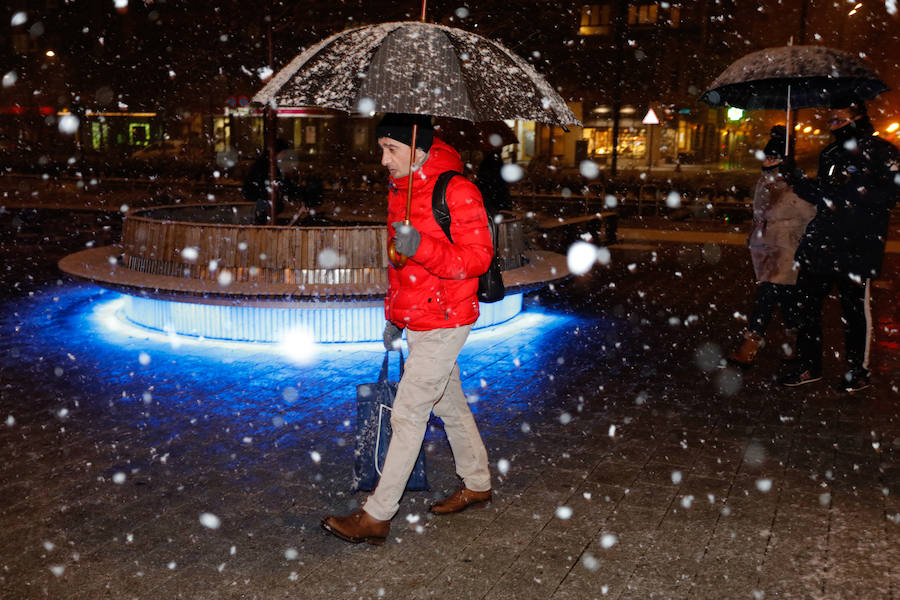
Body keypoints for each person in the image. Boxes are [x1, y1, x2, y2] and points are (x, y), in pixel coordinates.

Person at [321, 113, 494, 545]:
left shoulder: (457, 189)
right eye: (381, 148)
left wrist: (425, 247)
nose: (383, 159)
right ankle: (477, 483)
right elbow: (400, 268)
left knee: (409, 412)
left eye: (391, 149)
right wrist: (393, 317)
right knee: (448, 403)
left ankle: (377, 515)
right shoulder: (400, 191)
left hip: (447, 317)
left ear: (416, 147)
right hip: (417, 316)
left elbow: (478, 259)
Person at [779, 92, 899, 391]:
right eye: (830, 119)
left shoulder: (883, 152)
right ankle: (808, 366)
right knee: (806, 307)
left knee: (854, 311)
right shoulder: (830, 154)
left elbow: (891, 197)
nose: (833, 125)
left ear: (857, 116)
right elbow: (823, 197)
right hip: (821, 243)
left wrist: (854, 189)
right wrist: (796, 179)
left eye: (839, 119)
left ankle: (857, 370)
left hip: (858, 246)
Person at [726, 126, 815, 367]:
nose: (767, 161)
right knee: (785, 297)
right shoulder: (764, 181)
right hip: (766, 248)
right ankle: (795, 344)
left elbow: (809, 215)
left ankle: (750, 344)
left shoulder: (797, 183)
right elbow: (759, 213)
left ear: (784, 159)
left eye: (773, 157)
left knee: (766, 295)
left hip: (786, 249)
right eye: (766, 156)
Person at [476, 150, 511, 215]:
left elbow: (482, 179)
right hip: (499, 197)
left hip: (489, 197)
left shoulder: (486, 163)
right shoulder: (498, 162)